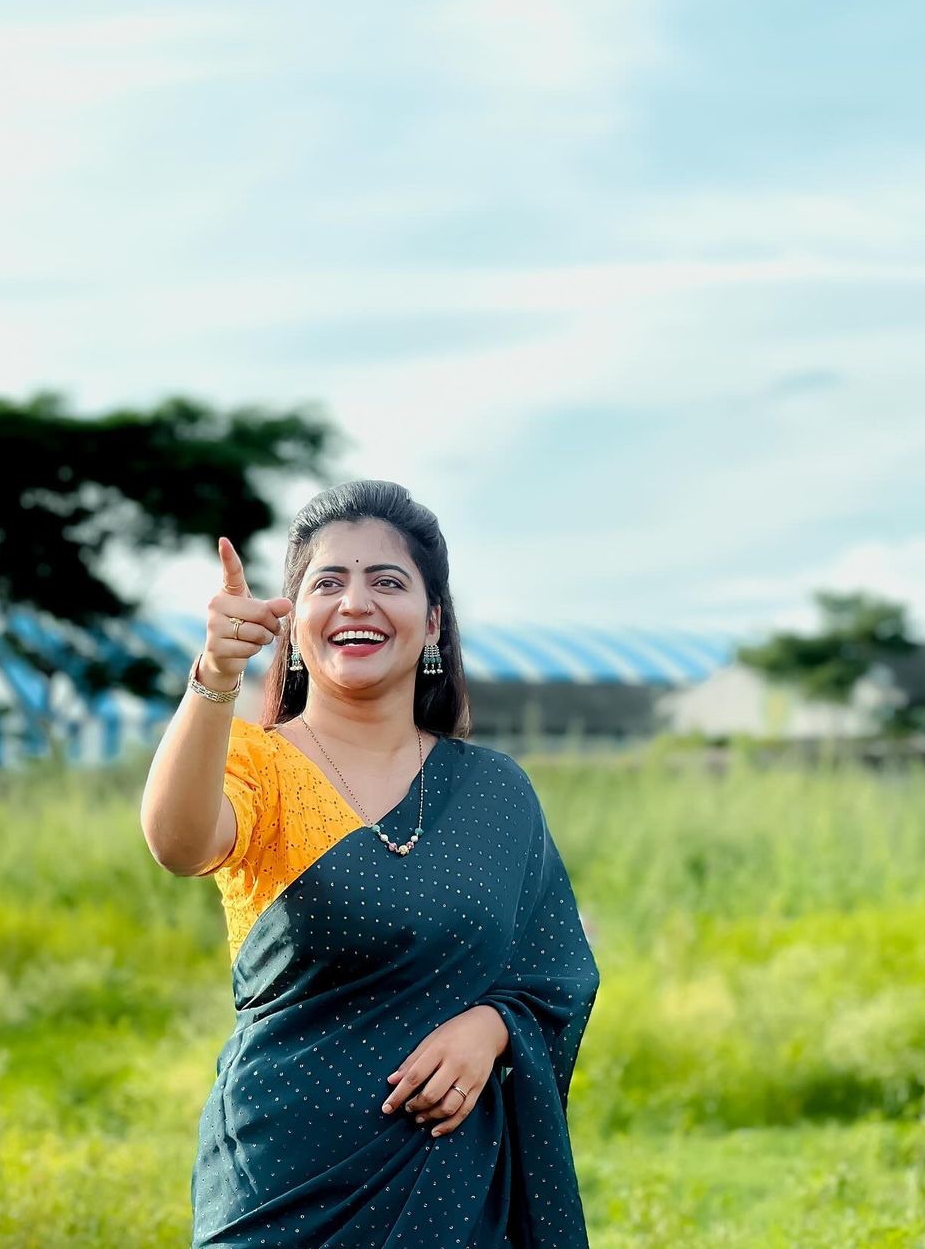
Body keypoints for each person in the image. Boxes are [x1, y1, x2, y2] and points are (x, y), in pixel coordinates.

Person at [140, 479, 601, 1248]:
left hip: (452, 1183)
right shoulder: (260, 764)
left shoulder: (494, 791)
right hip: (282, 1177)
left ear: (433, 623)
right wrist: (215, 678)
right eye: (328, 582)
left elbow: (553, 973)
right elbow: (179, 844)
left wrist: (491, 1028)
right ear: (293, 620)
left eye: (387, 582)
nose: (356, 602)